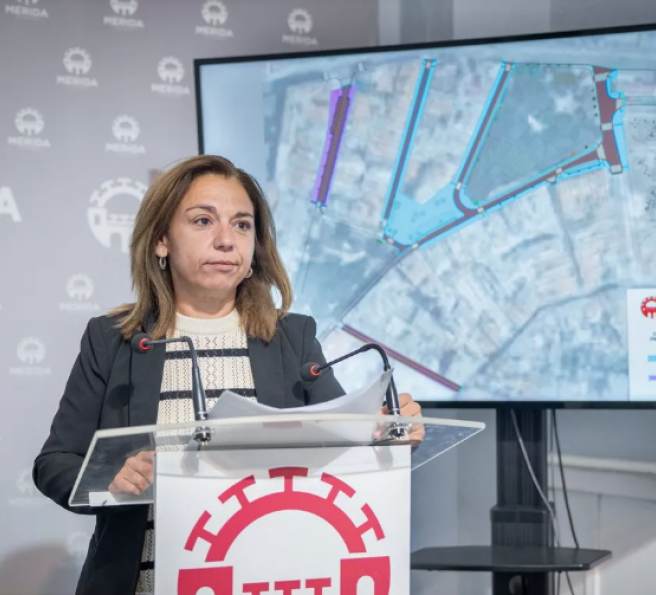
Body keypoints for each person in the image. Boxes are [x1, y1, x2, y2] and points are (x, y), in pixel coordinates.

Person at [33, 155, 423, 595]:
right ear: (161, 241)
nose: (225, 240)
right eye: (203, 221)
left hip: (269, 579)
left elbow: (346, 445)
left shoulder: (293, 339)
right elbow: (55, 463)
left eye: (241, 225)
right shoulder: (114, 340)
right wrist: (112, 478)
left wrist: (388, 432)